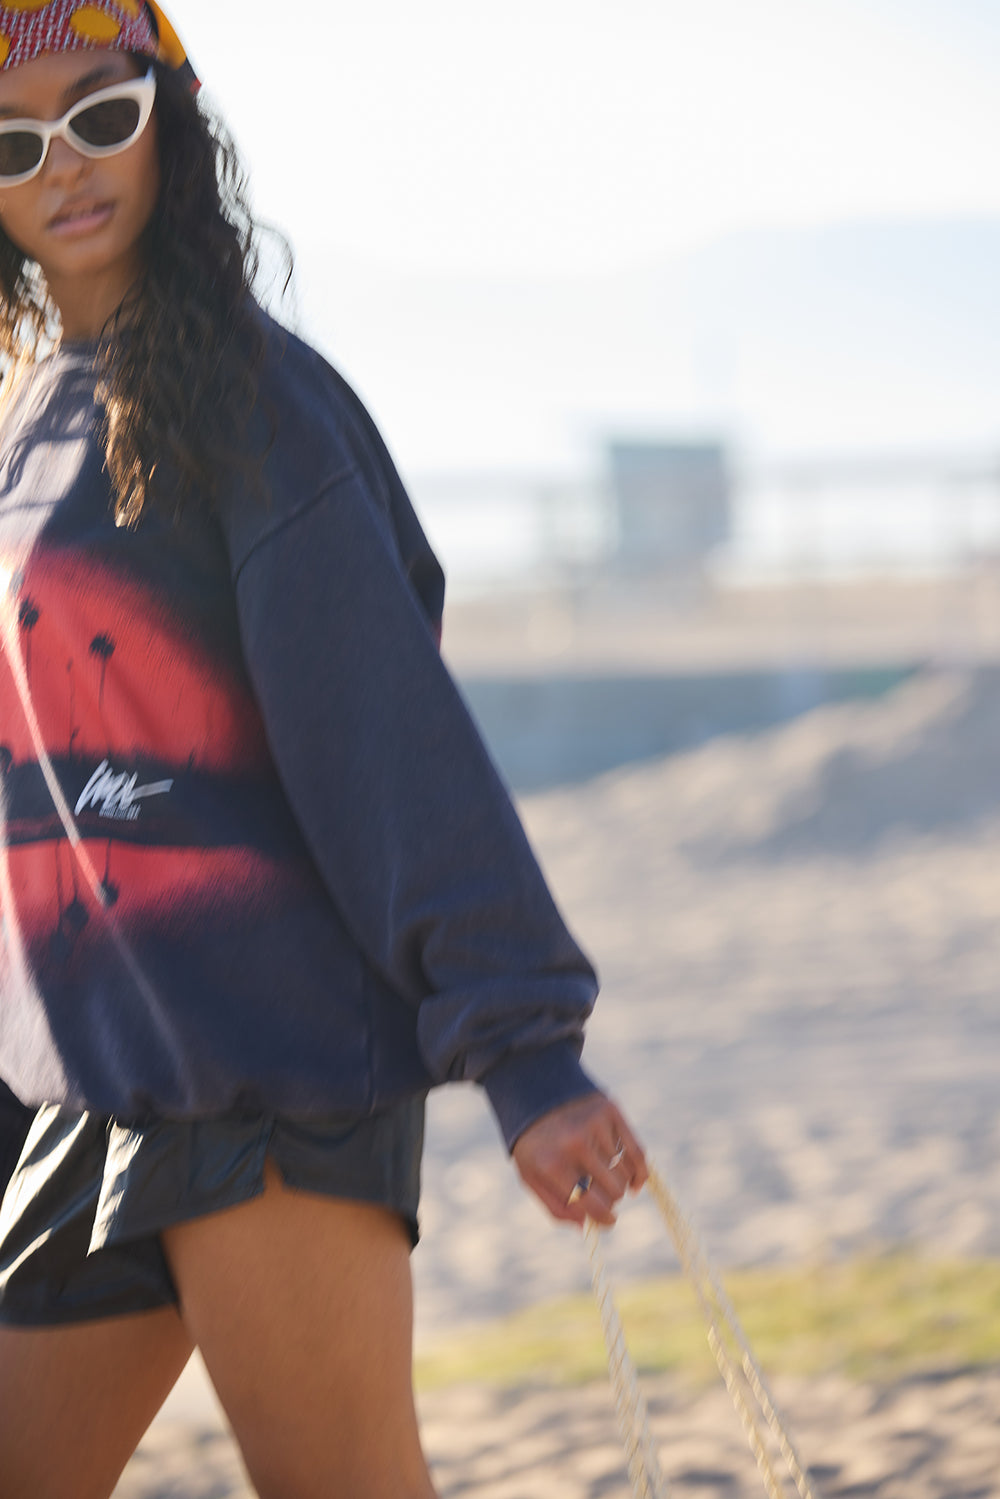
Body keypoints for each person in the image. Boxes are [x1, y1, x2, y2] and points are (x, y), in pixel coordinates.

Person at [0, 5, 646, 1496]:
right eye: (14, 144)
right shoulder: (31, 418)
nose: (65, 167)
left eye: (100, 115)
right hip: (87, 1095)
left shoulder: (257, 404)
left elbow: (386, 735)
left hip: (274, 1084)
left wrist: (526, 1054)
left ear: (169, 119)